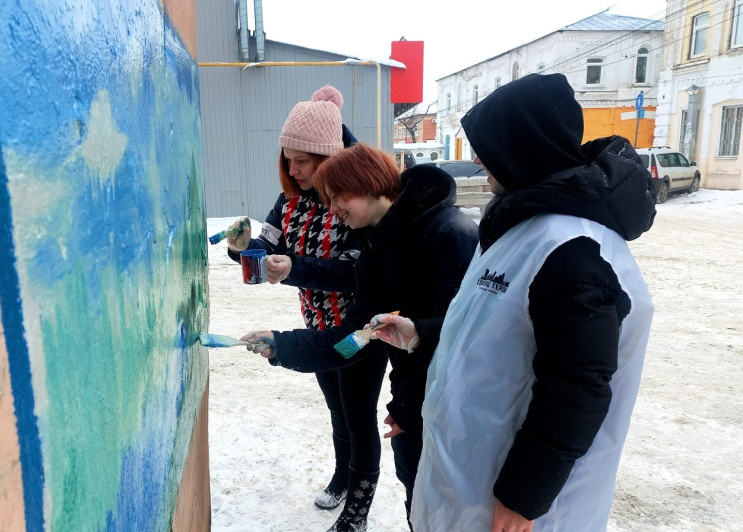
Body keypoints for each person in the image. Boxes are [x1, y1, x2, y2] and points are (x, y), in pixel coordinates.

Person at [375, 73, 657, 531]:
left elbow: (577, 385)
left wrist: (524, 497)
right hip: (470, 473)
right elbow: (491, 328)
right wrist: (421, 334)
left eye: (490, 148)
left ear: (524, 148)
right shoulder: (523, 228)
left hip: (516, 503)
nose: (481, 160)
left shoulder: (573, 251)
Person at [241, 143, 479, 531]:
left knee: (453, 508)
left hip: (456, 409)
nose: (332, 210)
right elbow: (354, 336)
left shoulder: (449, 233)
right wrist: (282, 344)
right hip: (414, 404)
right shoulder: (374, 247)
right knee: (419, 499)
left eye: (338, 198)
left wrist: (410, 404)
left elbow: (465, 339)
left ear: (369, 186)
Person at [224, 86, 390, 516]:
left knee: (358, 415)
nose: (292, 169)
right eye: (288, 159)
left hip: (359, 329)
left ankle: (357, 510)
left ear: (327, 157)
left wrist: (294, 269)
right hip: (318, 324)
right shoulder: (289, 201)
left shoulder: (355, 201)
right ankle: (341, 476)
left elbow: (355, 273)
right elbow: (266, 242)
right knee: (336, 409)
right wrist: (242, 247)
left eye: (302, 161)